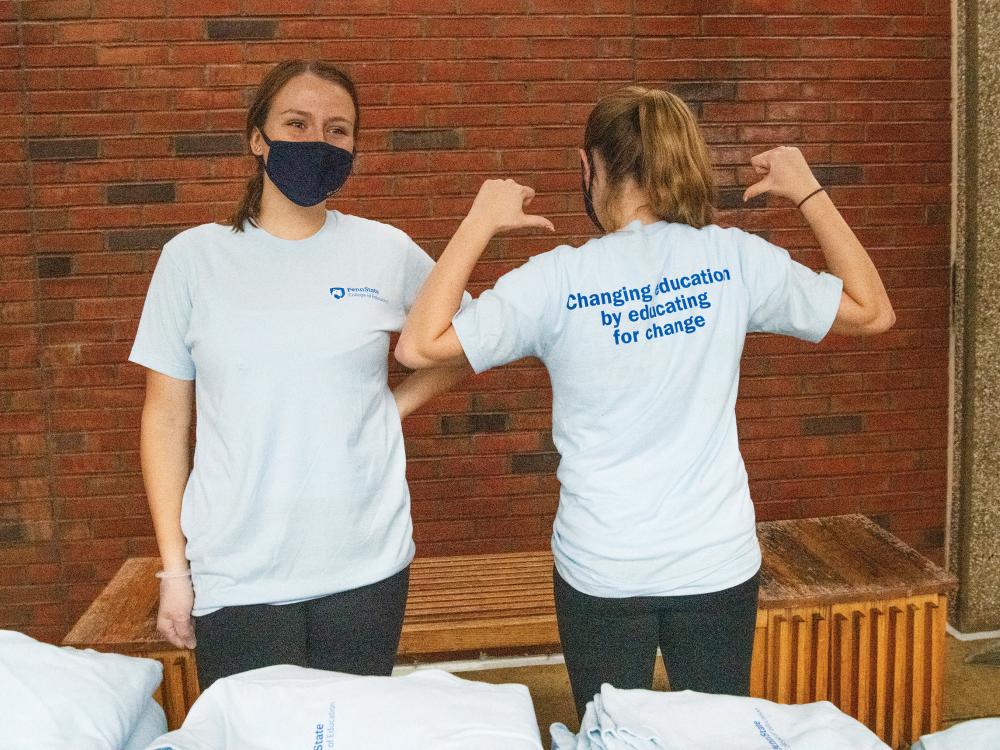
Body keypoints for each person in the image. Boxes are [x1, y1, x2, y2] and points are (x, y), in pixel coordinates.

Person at [395, 85, 894, 719]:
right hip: (716, 560)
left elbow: (419, 344)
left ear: (590, 167)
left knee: (612, 733)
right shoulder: (731, 259)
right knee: (716, 735)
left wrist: (481, 218)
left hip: (603, 567)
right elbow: (872, 311)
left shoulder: (558, 278)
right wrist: (807, 191)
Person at [130, 59, 468, 689]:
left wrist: (388, 410)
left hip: (365, 565)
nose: (318, 141)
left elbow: (468, 342)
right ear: (258, 138)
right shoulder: (193, 259)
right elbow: (165, 417)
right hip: (238, 571)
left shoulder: (384, 250)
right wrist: (174, 571)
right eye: (297, 122)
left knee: (349, 733)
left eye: (338, 130)